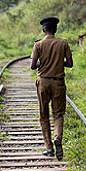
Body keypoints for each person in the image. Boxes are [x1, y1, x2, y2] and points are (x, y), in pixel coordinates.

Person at [30, 17, 73, 160]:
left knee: (43, 115)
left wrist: (43, 63)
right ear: (55, 29)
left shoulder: (38, 45)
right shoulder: (63, 43)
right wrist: (59, 62)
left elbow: (32, 66)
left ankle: (49, 148)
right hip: (58, 83)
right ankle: (57, 137)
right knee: (58, 114)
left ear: (44, 30)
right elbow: (70, 63)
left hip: (43, 83)